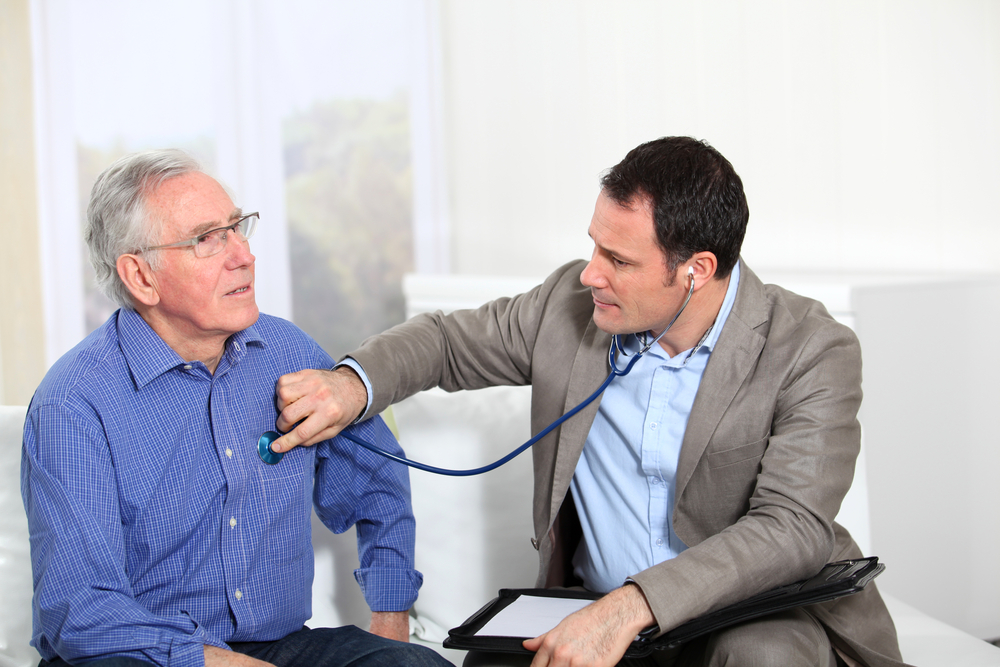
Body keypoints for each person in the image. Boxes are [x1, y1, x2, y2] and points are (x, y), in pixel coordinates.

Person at [270, 137, 908, 667]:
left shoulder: (811, 348)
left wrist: (629, 608)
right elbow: (444, 342)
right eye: (594, 245)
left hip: (753, 613)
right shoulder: (567, 311)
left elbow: (790, 528)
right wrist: (353, 383)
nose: (589, 273)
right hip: (594, 612)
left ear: (696, 270)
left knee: (766, 656)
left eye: (618, 259)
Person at [20, 150, 451, 667]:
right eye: (207, 238)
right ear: (140, 277)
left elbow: (376, 481)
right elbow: (81, 612)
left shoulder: (290, 354)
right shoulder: (73, 403)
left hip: (282, 646)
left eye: (237, 227)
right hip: (138, 655)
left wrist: (390, 618)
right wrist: (214, 661)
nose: (243, 255)